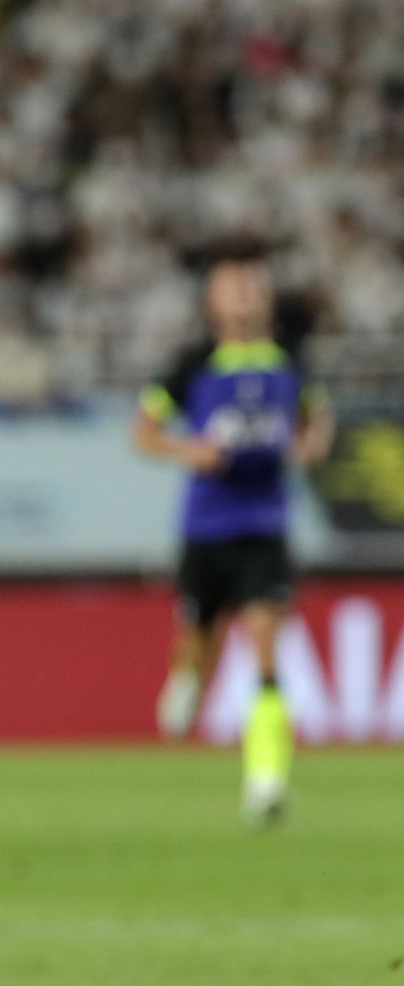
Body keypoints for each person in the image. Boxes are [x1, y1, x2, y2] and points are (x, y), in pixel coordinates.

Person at [133, 251, 333, 824]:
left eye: (252, 286)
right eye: (232, 286)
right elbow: (143, 432)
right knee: (198, 637)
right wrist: (187, 450)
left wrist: (312, 443)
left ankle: (265, 782)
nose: (244, 294)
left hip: (264, 522)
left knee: (265, 637)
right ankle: (185, 677)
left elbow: (318, 415)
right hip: (206, 526)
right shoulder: (193, 366)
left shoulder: (290, 362)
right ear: (211, 303)